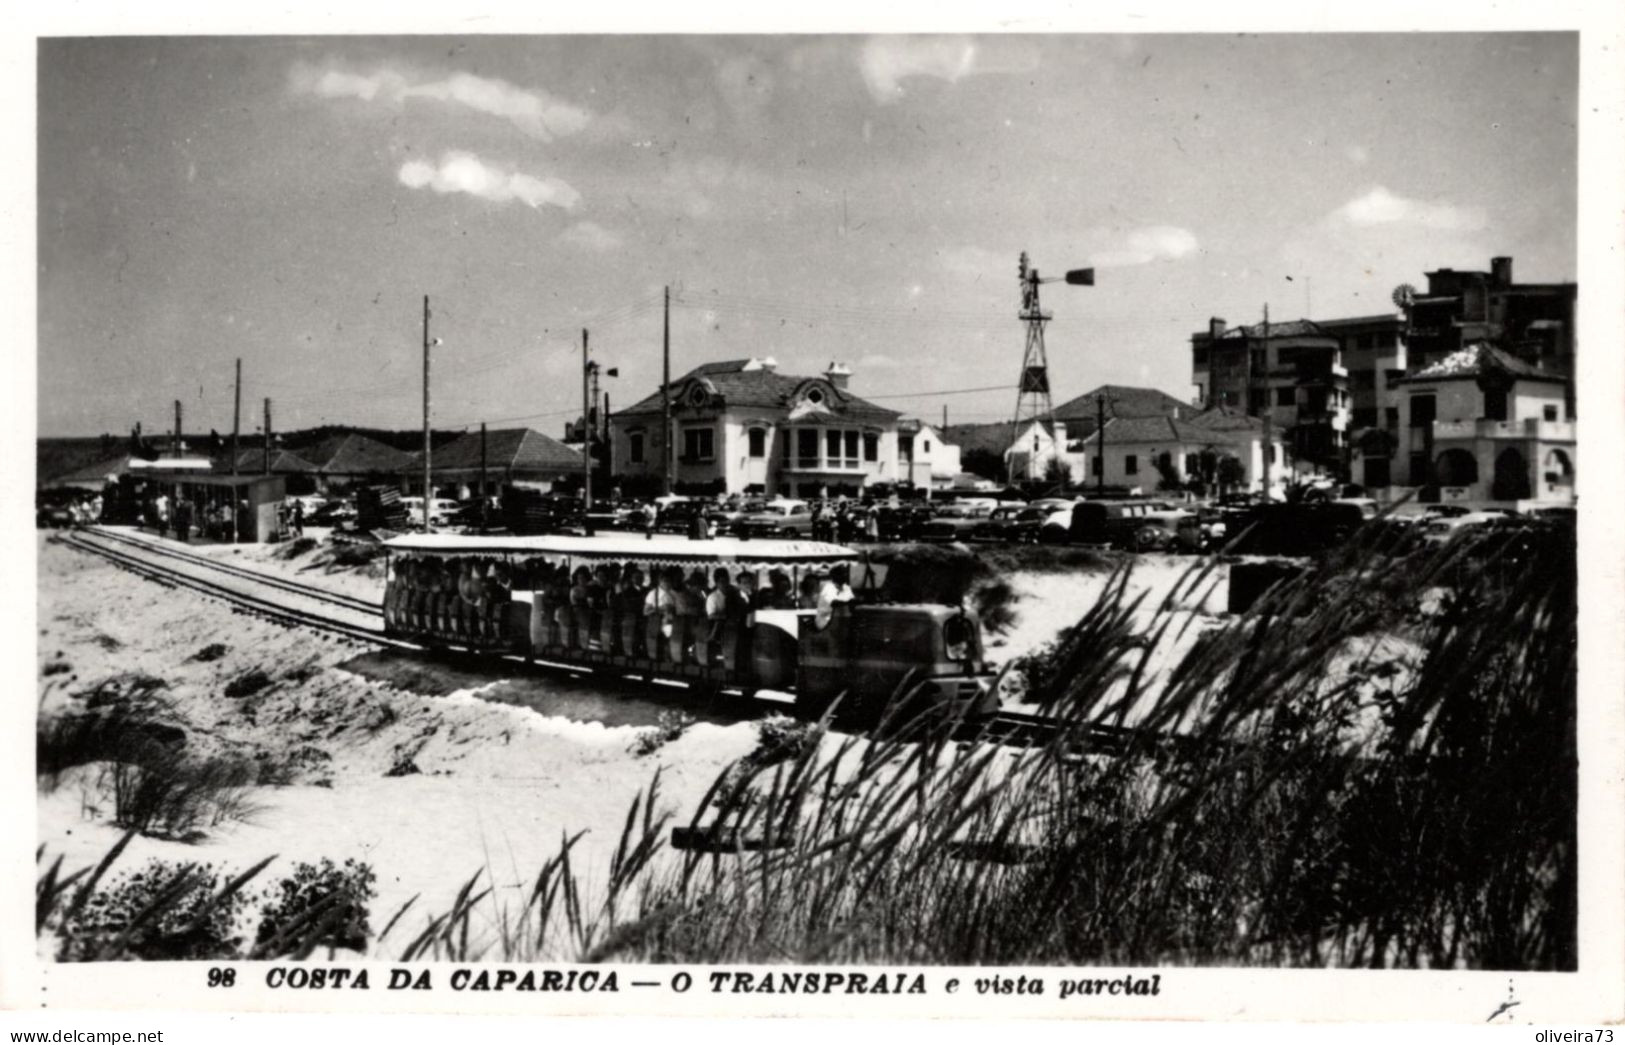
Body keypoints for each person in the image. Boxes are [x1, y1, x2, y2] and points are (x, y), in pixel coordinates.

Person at [816, 563, 855, 629]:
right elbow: (834, 603)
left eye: (845, 573)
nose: (845, 575)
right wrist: (849, 602)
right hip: (826, 621)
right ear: (834, 576)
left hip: (843, 620)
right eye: (841, 574)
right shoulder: (828, 587)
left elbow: (852, 602)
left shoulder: (847, 588)